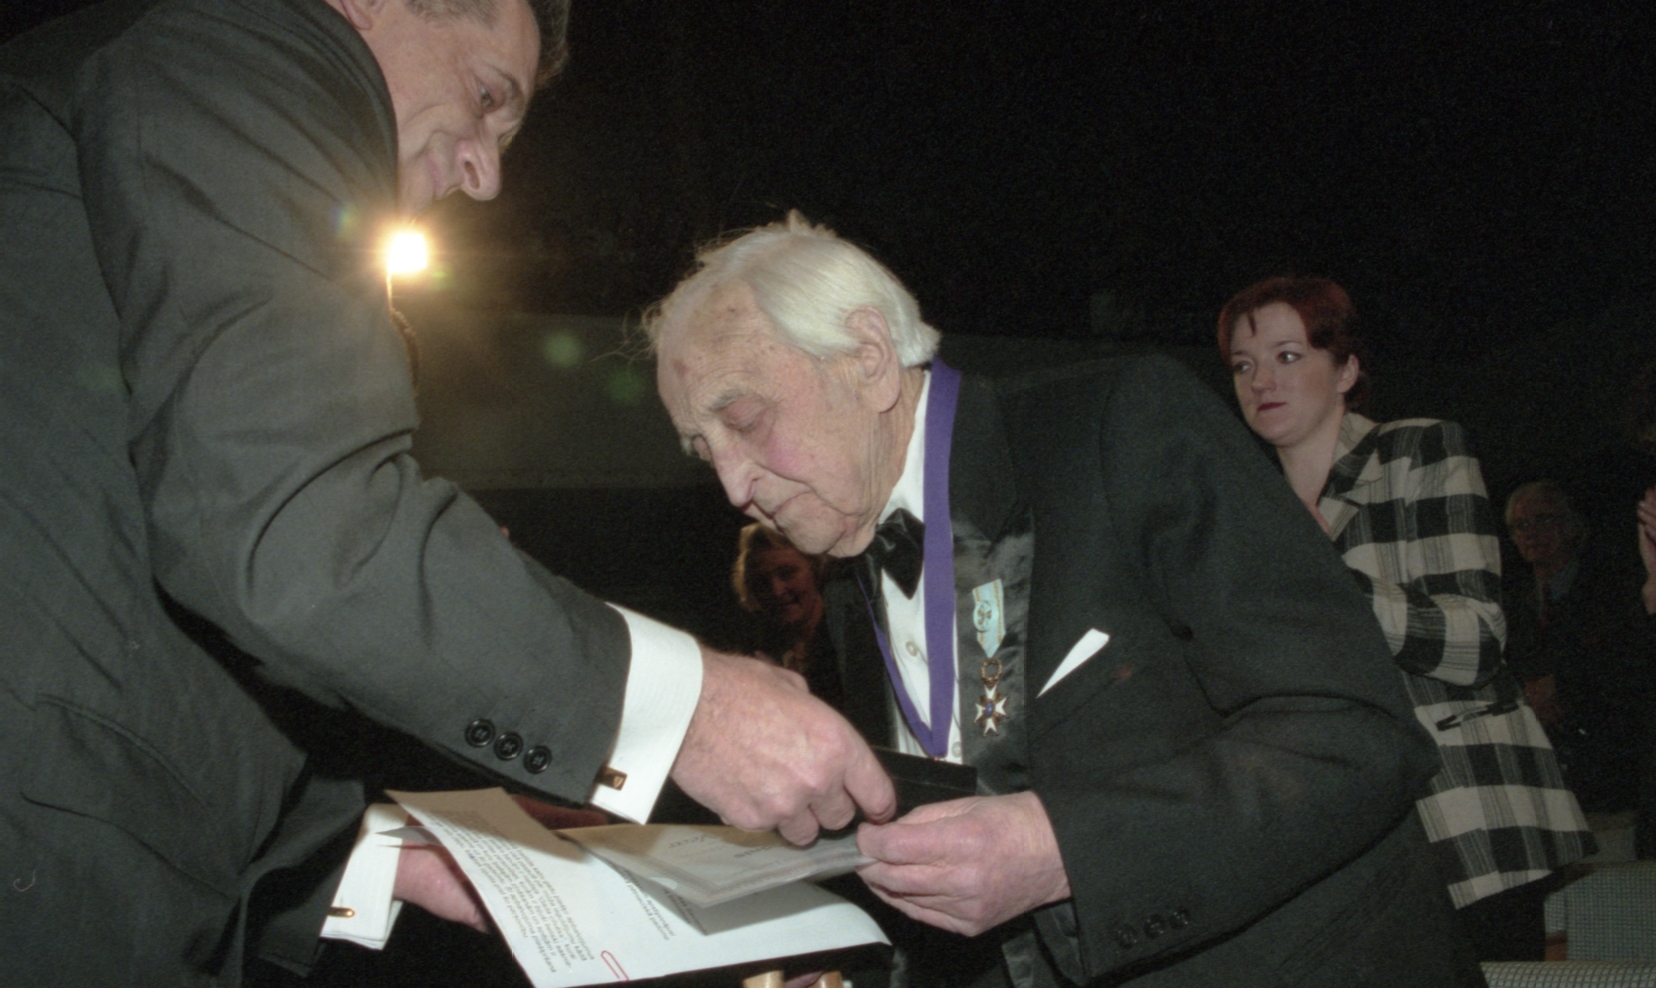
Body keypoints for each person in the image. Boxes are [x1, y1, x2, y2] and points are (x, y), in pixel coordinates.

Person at [0, 3, 894, 984]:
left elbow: (189, 583)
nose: (485, 173)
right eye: (484, 96)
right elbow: (299, 536)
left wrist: (380, 857)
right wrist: (688, 708)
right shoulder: (254, 43)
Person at [648, 213, 1482, 987]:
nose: (732, 485)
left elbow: (1357, 732)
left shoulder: (1120, 422)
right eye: (701, 448)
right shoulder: (855, 580)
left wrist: (1064, 849)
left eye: (745, 420)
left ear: (867, 357)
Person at [1219, 277, 1592, 960]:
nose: (1261, 380)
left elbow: (1476, 640)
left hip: (1463, 817)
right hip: (1329, 830)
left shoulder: (1417, 451)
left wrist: (1330, 580)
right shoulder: (1242, 507)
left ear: (1347, 370)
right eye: (1244, 365)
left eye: (1287, 356)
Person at [1503, 480, 1651, 814]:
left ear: (1570, 525)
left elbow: (1631, 662)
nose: (1531, 532)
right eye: (1520, 525)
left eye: (1543, 519)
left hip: (1614, 772)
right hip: (1543, 777)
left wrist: (1564, 685)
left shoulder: (1615, 589)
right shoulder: (1509, 605)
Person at [733, 522, 841, 707]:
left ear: (815, 567)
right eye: (762, 581)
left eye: (787, 573)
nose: (776, 590)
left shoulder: (847, 643)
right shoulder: (759, 653)